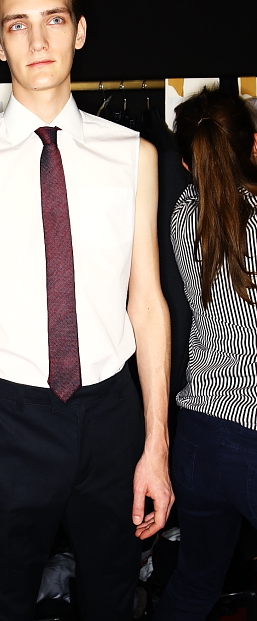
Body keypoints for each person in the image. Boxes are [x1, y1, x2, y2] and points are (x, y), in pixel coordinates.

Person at [0, 0, 173, 621]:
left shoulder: (134, 156)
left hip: (111, 417)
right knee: (0, 603)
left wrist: (157, 444)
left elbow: (148, 304)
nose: (38, 40)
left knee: (114, 599)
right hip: (8, 423)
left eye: (54, 19)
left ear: (80, 30)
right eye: (18, 24)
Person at [153, 87, 257, 621]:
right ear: (253, 146)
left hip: (199, 435)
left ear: (186, 162)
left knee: (193, 587)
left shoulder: (182, 216)